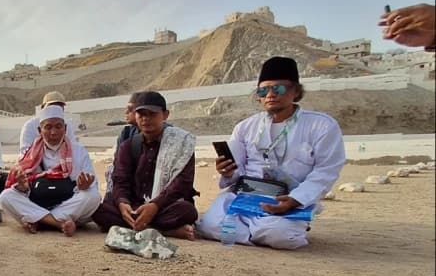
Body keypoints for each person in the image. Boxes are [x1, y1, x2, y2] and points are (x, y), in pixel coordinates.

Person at [196, 56, 346, 249]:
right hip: (245, 195)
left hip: (286, 198)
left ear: (296, 91)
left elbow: (326, 170)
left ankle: (262, 231)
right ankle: (258, 233)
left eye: (279, 88)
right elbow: (237, 171)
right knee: (210, 227)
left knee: (281, 237)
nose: (270, 94)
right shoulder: (245, 127)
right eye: (263, 90)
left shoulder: (321, 125)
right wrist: (228, 171)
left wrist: (295, 199)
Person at [92, 91, 198, 240]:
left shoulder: (180, 144)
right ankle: (163, 231)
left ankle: (136, 227)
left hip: (163, 206)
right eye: (141, 114)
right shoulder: (128, 146)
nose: (146, 119)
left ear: (165, 115)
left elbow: (182, 183)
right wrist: (123, 204)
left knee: (187, 211)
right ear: (135, 116)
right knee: (97, 208)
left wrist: (154, 206)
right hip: (134, 207)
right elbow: (120, 180)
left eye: (152, 114)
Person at [0, 105, 101, 237]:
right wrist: (22, 187)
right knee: (6, 196)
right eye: (48, 127)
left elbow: (92, 185)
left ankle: (40, 220)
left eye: (58, 126)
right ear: (39, 130)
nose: (53, 132)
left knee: (93, 197)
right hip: (39, 201)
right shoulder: (30, 154)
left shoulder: (79, 151)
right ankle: (59, 224)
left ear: (65, 129)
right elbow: (23, 188)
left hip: (68, 201)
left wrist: (84, 186)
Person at [103, 97, 140, 196]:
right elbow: (118, 162)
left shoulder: (164, 134)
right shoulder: (126, 133)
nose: (126, 112)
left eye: (130, 109)